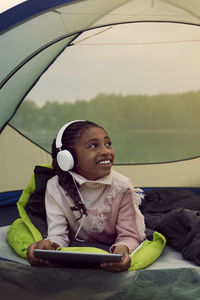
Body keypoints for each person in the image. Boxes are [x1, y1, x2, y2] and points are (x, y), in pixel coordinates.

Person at [27, 120, 145, 272]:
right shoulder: (55, 187)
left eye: (108, 144)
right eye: (94, 146)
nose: (106, 151)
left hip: (109, 245)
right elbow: (58, 234)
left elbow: (129, 236)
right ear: (68, 158)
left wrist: (123, 249)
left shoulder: (122, 187)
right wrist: (49, 245)